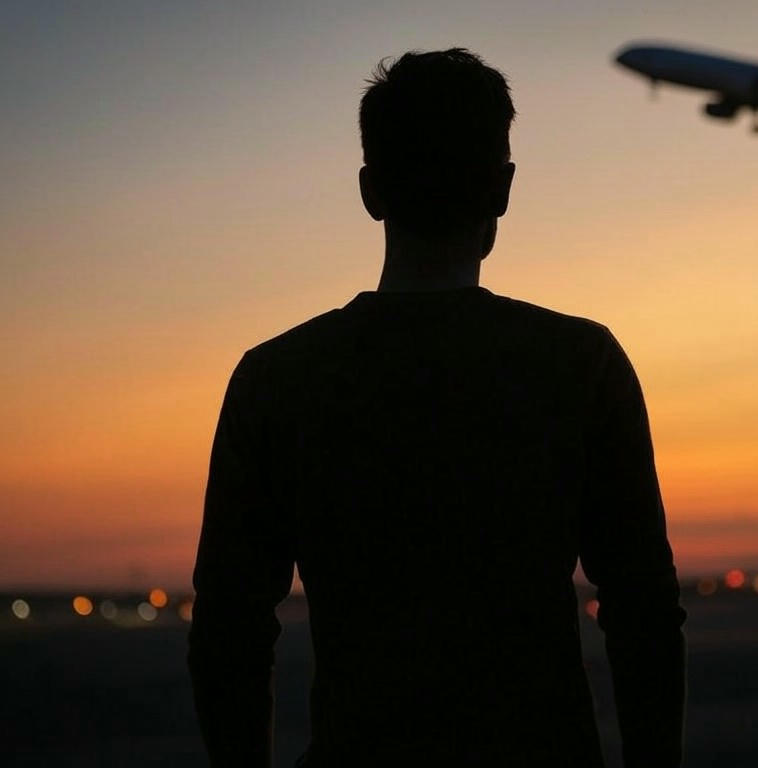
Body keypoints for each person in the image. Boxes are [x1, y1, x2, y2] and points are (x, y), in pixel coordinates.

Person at [188, 47, 686, 768]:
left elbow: (229, 631)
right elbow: (644, 612)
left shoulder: (275, 379)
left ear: (370, 191)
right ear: (504, 187)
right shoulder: (581, 363)